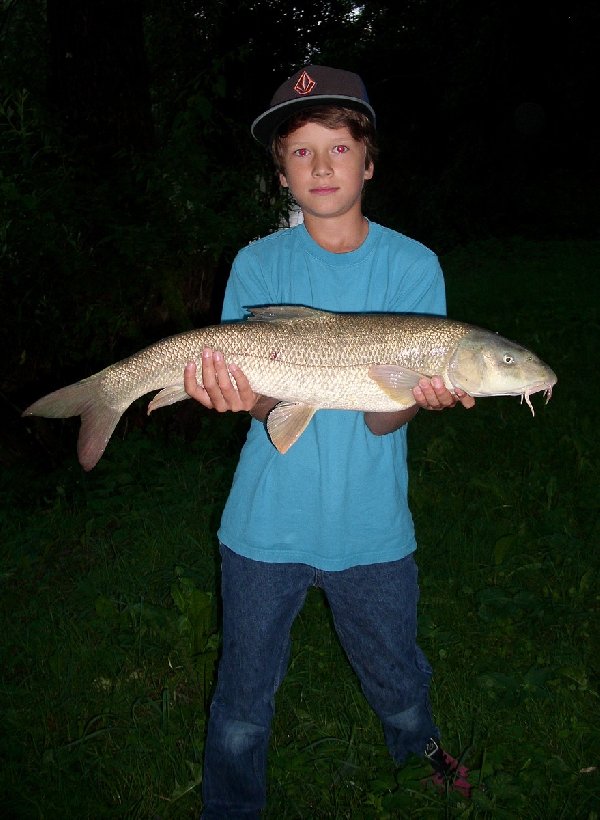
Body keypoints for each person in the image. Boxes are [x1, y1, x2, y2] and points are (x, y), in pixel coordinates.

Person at [184, 65, 475, 817]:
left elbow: (383, 417)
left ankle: (422, 754)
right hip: (262, 527)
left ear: (369, 162)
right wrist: (240, 397)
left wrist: (416, 395)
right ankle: (230, 805)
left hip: (373, 529)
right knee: (243, 694)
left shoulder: (413, 267)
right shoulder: (256, 265)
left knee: (395, 671)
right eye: (301, 151)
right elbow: (261, 406)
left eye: (339, 148)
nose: (321, 166)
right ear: (279, 170)